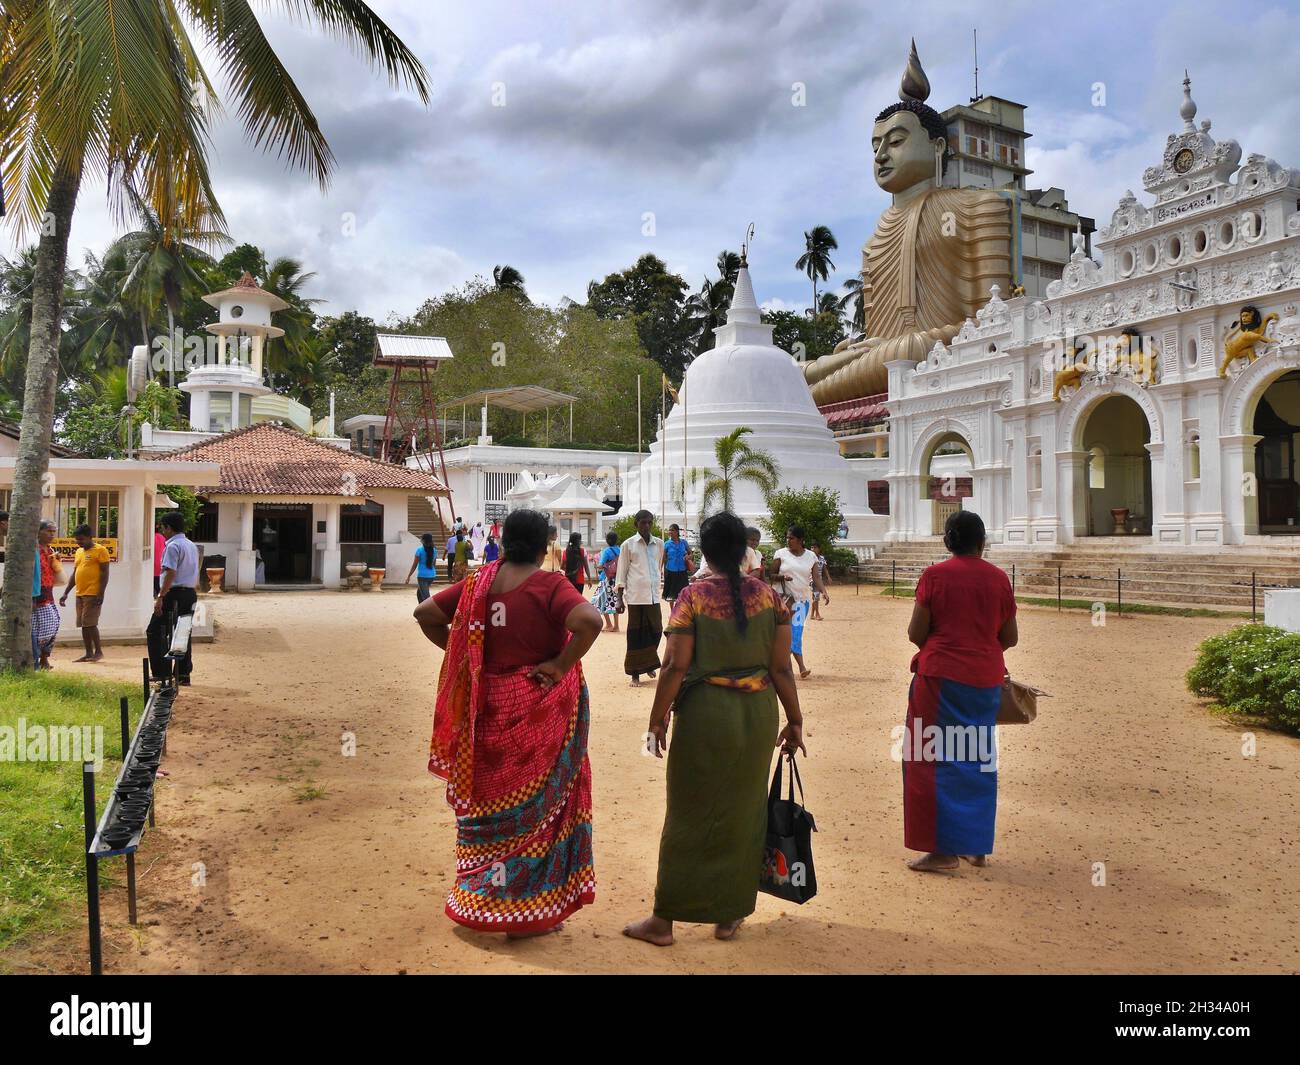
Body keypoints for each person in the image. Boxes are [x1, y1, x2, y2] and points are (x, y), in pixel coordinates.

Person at [416, 508, 603, 937]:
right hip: (539, 712)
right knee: (540, 811)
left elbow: (425, 614)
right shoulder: (549, 584)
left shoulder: (479, 584)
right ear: (544, 546)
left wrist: (465, 653)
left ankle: (484, 898)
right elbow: (589, 622)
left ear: (503, 542)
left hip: (486, 712)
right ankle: (527, 912)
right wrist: (559, 665)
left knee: (489, 808)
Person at [624, 512, 805, 947]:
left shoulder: (693, 597)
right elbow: (781, 668)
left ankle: (663, 922)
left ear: (703, 552)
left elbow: (674, 664)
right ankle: (729, 915)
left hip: (706, 715)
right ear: (744, 550)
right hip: (758, 716)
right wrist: (795, 721)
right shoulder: (770, 599)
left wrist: (657, 718)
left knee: (688, 812)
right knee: (745, 814)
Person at [903, 510, 1017, 873]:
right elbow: (1009, 637)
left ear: (948, 540)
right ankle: (975, 846)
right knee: (978, 758)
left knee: (929, 760)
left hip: (940, 678)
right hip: (984, 680)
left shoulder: (935, 576)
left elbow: (915, 633)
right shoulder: (999, 579)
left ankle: (942, 851)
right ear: (983, 542)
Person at [147, 511, 200, 685]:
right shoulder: (191, 545)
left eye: (163, 527)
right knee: (183, 632)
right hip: (189, 593)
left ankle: (162, 672)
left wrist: (161, 596)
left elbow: (170, 571)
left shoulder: (172, 546)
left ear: (168, 527)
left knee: (155, 631)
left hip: (174, 593)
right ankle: (183, 674)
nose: (162, 531)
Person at [615, 510, 665, 686]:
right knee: (635, 635)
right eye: (643, 523)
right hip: (636, 597)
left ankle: (649, 662)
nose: (647, 526)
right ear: (636, 524)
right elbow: (621, 572)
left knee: (657, 630)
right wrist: (619, 598)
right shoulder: (628, 545)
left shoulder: (659, 544)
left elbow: (659, 567)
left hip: (653, 597)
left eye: (650, 522)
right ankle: (635, 674)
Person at [771, 525, 827, 679]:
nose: (788, 540)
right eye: (787, 537)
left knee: (795, 634)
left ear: (801, 540)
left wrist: (823, 591)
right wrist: (783, 578)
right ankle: (797, 667)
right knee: (784, 635)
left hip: (801, 602)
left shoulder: (811, 556)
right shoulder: (780, 554)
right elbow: (771, 575)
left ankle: (785, 666)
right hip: (782, 602)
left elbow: (816, 577)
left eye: (792, 538)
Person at [60, 524, 111, 662]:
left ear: (90, 537)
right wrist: (66, 593)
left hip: (93, 593)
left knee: (91, 623)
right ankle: (88, 653)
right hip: (79, 593)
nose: (79, 542)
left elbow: (105, 573)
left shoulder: (101, 550)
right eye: (77, 540)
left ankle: (98, 652)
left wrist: (101, 593)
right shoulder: (79, 552)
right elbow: (75, 573)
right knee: (83, 624)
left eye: (81, 539)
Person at [31, 521, 62, 670]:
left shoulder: (50, 550)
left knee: (52, 624)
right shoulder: (34, 550)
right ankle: (37, 659)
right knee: (42, 626)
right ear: (39, 531)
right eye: (49, 531)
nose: (51, 535)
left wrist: (57, 561)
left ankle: (43, 658)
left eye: (53, 532)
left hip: (48, 591)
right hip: (37, 592)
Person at [594, 531, 621, 632]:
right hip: (616, 579)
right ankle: (616, 626)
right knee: (615, 601)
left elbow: (601, 565)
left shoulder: (606, 551)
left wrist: (596, 564)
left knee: (600, 600)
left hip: (606, 579)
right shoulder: (620, 549)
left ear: (607, 540)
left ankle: (609, 624)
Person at [405, 532, 439, 603]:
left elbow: (414, 565)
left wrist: (409, 576)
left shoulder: (419, 550)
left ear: (423, 540)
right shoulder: (435, 550)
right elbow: (434, 564)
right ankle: (421, 611)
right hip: (432, 575)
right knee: (419, 594)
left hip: (422, 576)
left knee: (426, 597)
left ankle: (429, 611)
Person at [662, 524, 690, 603]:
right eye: (669, 530)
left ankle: (681, 612)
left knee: (683, 594)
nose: (670, 532)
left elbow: (690, 554)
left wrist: (688, 556)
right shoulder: (666, 544)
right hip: (670, 571)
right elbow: (663, 558)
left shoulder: (684, 542)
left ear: (677, 531)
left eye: (672, 530)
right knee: (671, 595)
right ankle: (672, 613)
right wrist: (661, 570)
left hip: (682, 571)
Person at [809, 542, 831, 620]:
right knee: (816, 596)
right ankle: (817, 614)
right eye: (811, 547)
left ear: (819, 549)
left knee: (815, 597)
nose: (813, 549)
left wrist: (828, 577)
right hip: (812, 580)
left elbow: (825, 569)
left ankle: (812, 614)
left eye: (815, 547)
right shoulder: (809, 558)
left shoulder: (822, 558)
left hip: (819, 580)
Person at [153, 525, 166, 596]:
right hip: (161, 566)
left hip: (151, 567)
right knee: (159, 589)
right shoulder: (162, 537)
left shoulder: (149, 538)